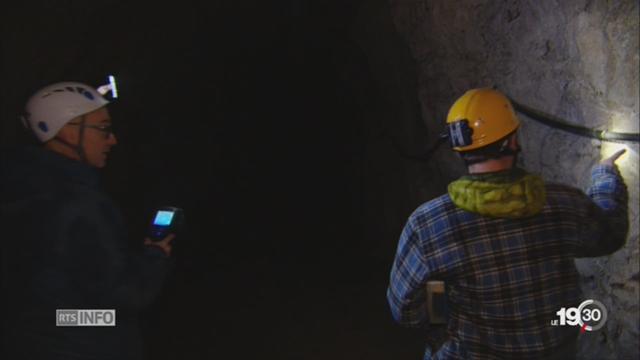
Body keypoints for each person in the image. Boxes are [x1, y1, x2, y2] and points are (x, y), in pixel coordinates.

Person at [387, 88, 628, 359]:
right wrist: (605, 174)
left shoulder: (428, 223)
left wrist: (440, 312)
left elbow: (405, 311)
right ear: (512, 140)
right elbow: (611, 233)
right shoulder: (562, 203)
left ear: (458, 149)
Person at [0, 81, 175, 360]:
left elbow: (48, 301)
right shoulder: (79, 204)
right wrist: (154, 256)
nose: (112, 139)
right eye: (103, 129)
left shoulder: (19, 188)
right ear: (68, 132)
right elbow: (125, 293)